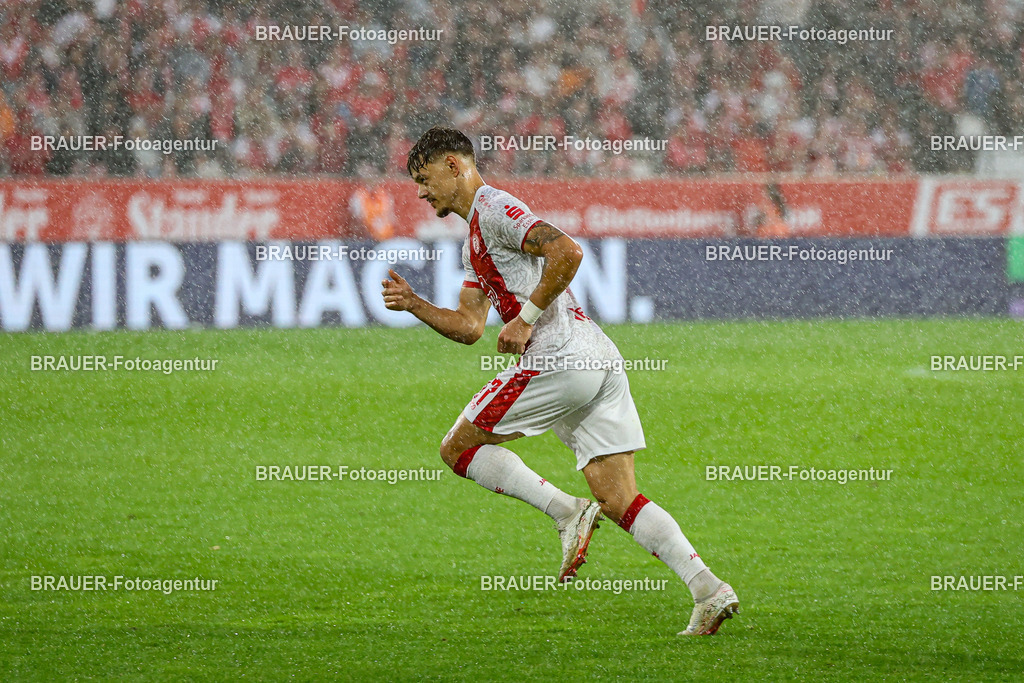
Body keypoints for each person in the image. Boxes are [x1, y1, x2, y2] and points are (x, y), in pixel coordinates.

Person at [382, 126, 739, 635]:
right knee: (619, 499)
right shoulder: (475, 241)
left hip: (560, 358)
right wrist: (415, 304)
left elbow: (568, 252)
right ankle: (708, 589)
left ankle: (566, 511)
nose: (420, 191)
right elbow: (467, 327)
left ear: (454, 165)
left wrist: (525, 317)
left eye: (424, 177)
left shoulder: (497, 208)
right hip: (596, 358)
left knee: (457, 449)